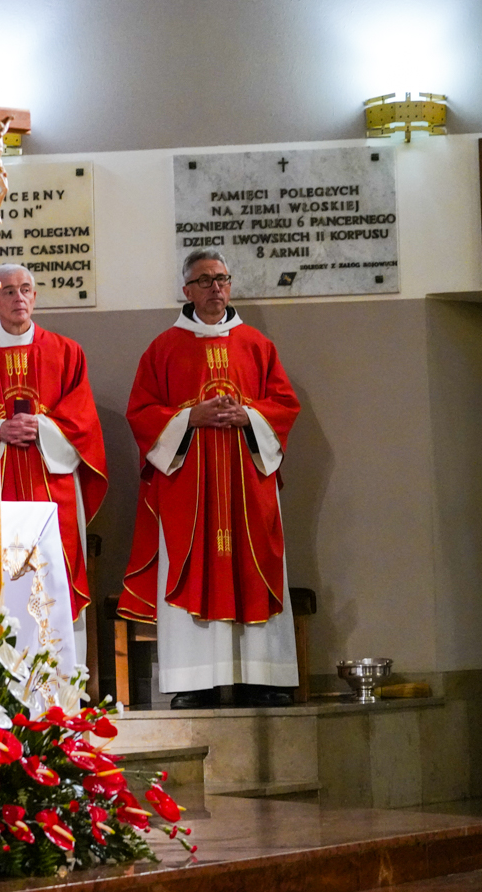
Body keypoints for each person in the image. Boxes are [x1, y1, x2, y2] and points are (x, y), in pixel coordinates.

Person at [119, 248, 301, 709]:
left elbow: (284, 406)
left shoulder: (257, 345)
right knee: (189, 569)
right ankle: (193, 681)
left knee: (255, 568)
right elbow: (140, 413)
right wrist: (189, 417)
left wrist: (249, 415)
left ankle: (262, 677)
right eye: (204, 280)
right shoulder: (163, 348)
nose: (215, 287)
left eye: (221, 278)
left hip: (246, 486)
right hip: (189, 492)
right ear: (187, 291)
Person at [0, 265, 107, 655]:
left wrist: (39, 427)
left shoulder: (66, 352)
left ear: (35, 295)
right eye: (9, 291)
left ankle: (60, 679)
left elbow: (82, 420)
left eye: (25, 289)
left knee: (53, 574)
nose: (19, 298)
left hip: (50, 481)